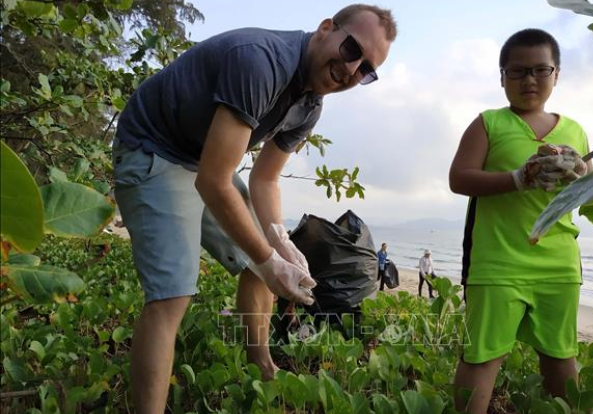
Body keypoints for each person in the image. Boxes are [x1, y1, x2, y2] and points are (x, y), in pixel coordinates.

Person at [112, 5, 397, 413]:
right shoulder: (261, 61)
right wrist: (268, 259)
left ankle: (261, 366)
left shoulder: (310, 104)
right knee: (172, 295)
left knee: (262, 255)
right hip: (153, 148)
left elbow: (265, 179)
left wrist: (278, 241)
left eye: (367, 69)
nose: (352, 69)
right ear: (325, 29)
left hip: (200, 158)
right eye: (352, 48)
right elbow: (213, 180)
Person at [447, 28, 592, 413]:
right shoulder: (489, 123)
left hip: (559, 263)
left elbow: (591, 188)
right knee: (481, 356)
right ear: (502, 77)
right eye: (518, 71)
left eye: (540, 70)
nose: (529, 80)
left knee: (561, 357)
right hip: (497, 262)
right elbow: (459, 178)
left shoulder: (575, 131)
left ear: (556, 74)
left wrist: (579, 170)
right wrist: (518, 177)